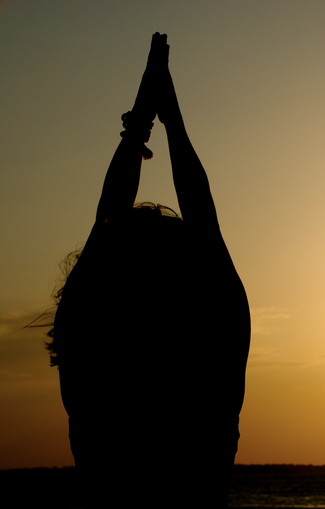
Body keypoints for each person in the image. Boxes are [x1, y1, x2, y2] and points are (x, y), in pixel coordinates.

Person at [47, 33, 250, 508]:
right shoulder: (209, 369)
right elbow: (207, 226)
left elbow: (106, 222)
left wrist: (139, 128)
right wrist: (172, 122)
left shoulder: (91, 355)